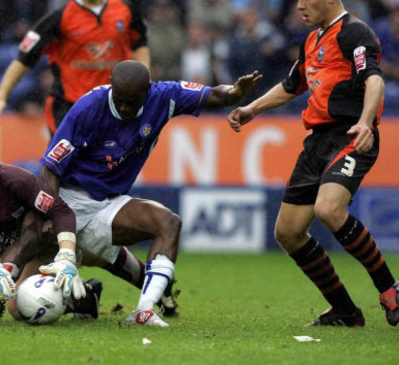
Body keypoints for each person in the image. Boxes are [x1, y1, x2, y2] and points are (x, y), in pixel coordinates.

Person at [227, 0, 399, 327]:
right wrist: (251, 108)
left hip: (351, 135)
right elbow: (292, 86)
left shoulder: (355, 33)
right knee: (288, 233)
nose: (299, 6)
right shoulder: (312, 40)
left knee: (329, 209)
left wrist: (364, 121)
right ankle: (344, 310)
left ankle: (389, 287)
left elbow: (375, 81)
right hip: (318, 142)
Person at [40, 60, 261, 326]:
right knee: (23, 306)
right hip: (70, 200)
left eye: (130, 102)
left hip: (110, 202)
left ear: (147, 91)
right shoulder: (88, 107)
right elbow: (50, 168)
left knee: (168, 223)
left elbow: (213, 94)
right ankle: (90, 296)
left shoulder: (164, 96)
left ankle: (144, 310)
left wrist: (233, 93)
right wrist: (51, 218)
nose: (123, 107)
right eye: (119, 100)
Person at [0, 0, 150, 135]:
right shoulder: (58, 18)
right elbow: (23, 59)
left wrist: (143, 79)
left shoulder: (127, 12)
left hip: (112, 107)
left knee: (111, 164)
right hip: (69, 109)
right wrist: (0, 97)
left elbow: (140, 44)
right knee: (65, 164)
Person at [0, 134, 94, 325]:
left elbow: (62, 212)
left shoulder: (17, 180)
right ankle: (87, 298)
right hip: (13, 252)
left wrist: (66, 255)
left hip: (49, 244)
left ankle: (142, 302)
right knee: (18, 308)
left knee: (109, 258)